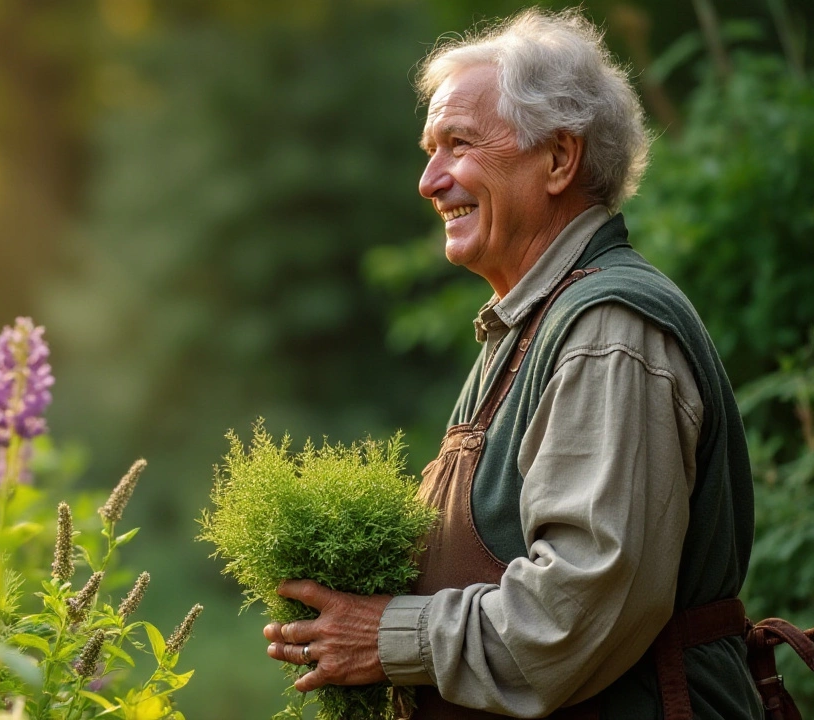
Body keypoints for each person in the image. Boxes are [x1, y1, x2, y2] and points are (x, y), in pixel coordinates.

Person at [262, 8, 764, 719]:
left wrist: (385, 636)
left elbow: (572, 612)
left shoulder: (606, 330)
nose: (429, 180)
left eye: (457, 144)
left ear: (559, 159)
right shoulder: (527, 327)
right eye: (429, 150)